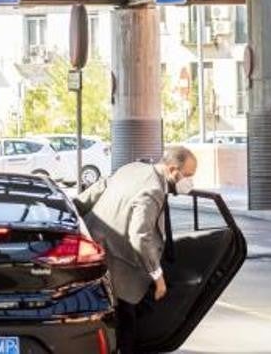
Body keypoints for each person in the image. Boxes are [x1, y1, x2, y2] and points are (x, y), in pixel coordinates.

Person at [75, 147, 197, 354]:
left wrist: (70, 212)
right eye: (188, 175)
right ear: (173, 169)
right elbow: (140, 236)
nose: (190, 182)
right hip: (119, 262)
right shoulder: (154, 189)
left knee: (115, 318)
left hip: (94, 250)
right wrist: (157, 277)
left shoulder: (132, 168)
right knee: (127, 322)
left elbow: (94, 192)